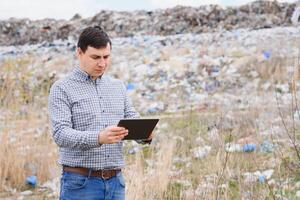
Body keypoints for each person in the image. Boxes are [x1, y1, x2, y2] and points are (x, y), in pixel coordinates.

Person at [48, 26, 152, 200]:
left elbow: (131, 118)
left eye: (106, 57)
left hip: (116, 183)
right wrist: (98, 138)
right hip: (80, 184)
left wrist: (145, 134)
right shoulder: (61, 88)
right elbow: (60, 134)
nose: (102, 63)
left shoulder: (117, 86)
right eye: (95, 57)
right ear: (79, 52)